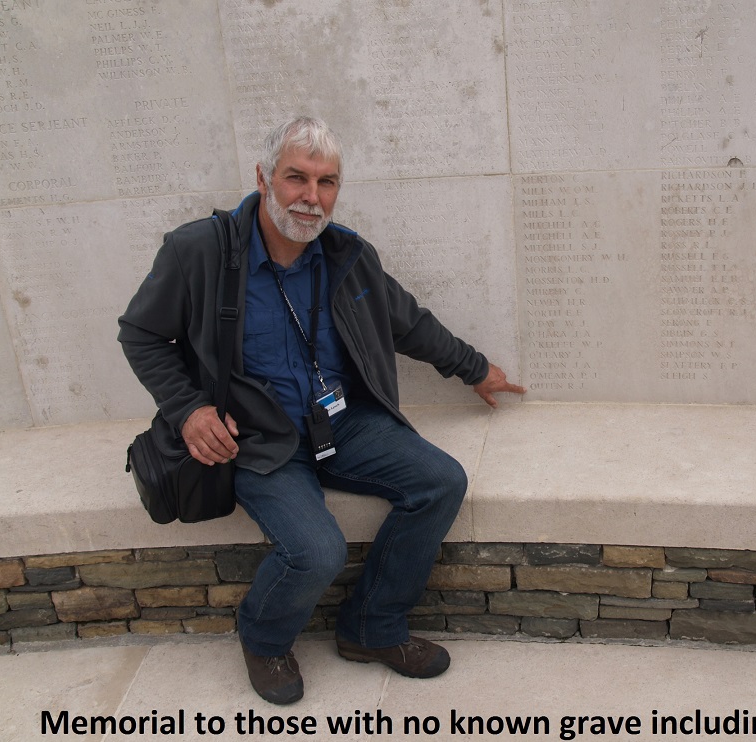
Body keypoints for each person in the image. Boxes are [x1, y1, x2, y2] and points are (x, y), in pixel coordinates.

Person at [118, 115, 525, 705]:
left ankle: (371, 628)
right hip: (260, 438)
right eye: (296, 179)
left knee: (441, 481)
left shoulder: (347, 254)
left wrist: (474, 368)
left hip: (342, 422)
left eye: (327, 182)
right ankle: (263, 639)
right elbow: (141, 334)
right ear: (264, 178)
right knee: (317, 551)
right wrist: (188, 409)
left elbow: (406, 321)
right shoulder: (198, 252)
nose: (312, 198)